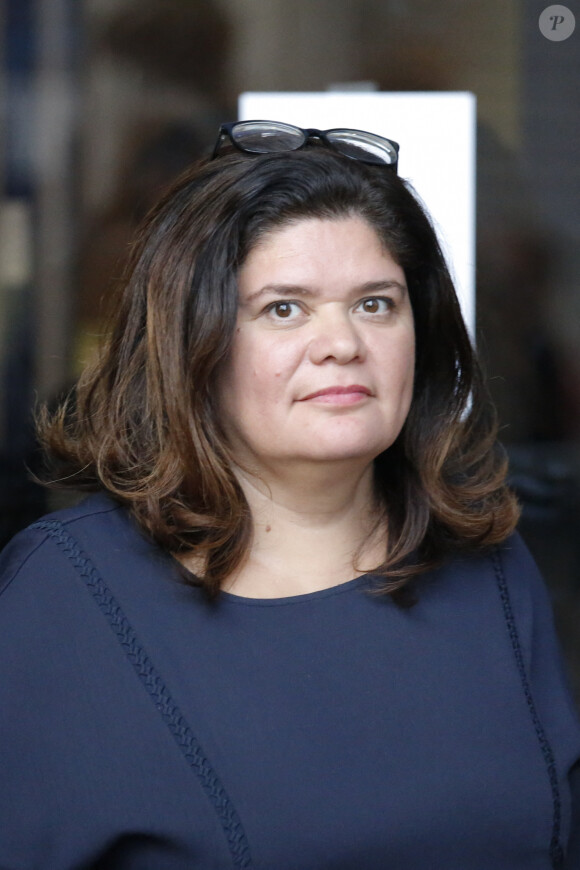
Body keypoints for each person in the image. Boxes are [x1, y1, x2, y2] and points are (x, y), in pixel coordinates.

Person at [1, 120, 579, 870]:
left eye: (376, 304)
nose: (342, 341)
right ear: (193, 343)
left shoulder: (489, 565)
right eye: (284, 308)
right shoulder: (66, 594)